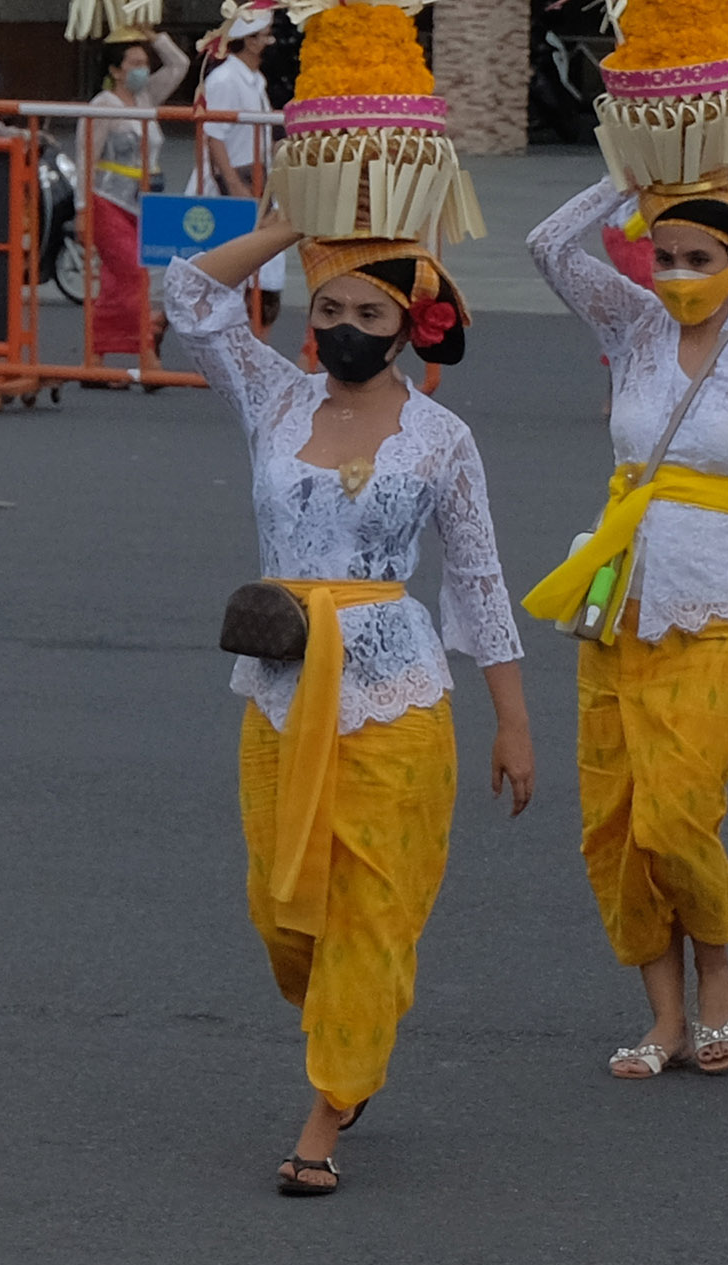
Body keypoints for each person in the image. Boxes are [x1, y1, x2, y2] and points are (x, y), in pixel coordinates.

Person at [167, 212, 531, 1189]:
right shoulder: (274, 398)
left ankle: (325, 1114)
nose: (344, 324)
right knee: (285, 917)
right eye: (327, 306)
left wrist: (513, 719)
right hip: (280, 687)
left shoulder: (441, 438)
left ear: (410, 324)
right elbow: (190, 297)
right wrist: (289, 225)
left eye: (368, 309)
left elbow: (478, 577)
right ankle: (349, 1030)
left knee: (370, 910)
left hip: (394, 692)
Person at [522, 178, 728, 1075]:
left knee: (676, 807)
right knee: (613, 822)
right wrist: (631, 176)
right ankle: (663, 1016)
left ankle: (718, 963)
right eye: (666, 256)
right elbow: (545, 244)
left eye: (700, 258)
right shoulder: (633, 328)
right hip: (623, 603)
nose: (680, 274)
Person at [79, 24, 191, 379]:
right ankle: (146, 356)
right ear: (115, 70)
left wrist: (155, 35)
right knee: (132, 276)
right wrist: (82, 209)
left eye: (145, 61)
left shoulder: (146, 99)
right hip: (107, 200)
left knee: (116, 281)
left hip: (144, 205)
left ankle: (95, 359)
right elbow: (86, 158)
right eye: (135, 62)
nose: (143, 68)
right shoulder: (103, 106)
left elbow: (179, 65)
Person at [196, 13, 282, 320]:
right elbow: (214, 136)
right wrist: (234, 186)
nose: (270, 42)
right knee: (224, 273)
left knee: (263, 274)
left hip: (257, 179)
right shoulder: (224, 80)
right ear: (249, 40)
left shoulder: (256, 79)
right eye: (265, 35)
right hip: (230, 185)